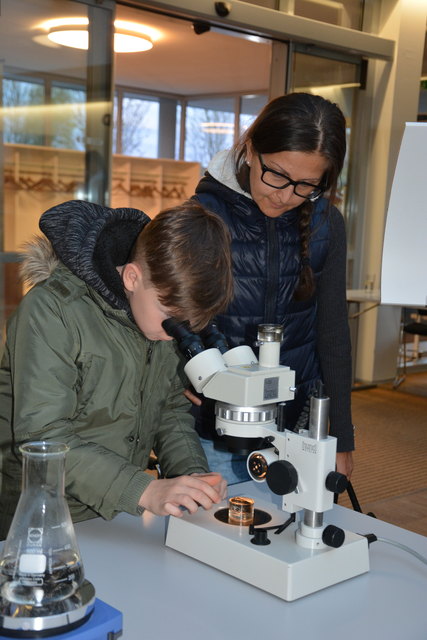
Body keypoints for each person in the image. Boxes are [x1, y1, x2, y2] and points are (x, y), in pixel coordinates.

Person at [0, 199, 233, 539]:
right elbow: (44, 438)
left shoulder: (156, 321)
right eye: (172, 316)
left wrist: (192, 478)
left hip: (116, 512)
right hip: (40, 515)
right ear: (132, 276)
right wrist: (145, 490)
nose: (177, 332)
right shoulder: (52, 311)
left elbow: (169, 412)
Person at [191, 92, 354, 484]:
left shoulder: (325, 223)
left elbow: (332, 334)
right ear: (250, 149)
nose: (285, 195)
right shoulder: (200, 219)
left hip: (298, 427)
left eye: (306, 185)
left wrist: (341, 437)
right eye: (277, 174)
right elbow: (163, 321)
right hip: (215, 431)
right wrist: (171, 382)